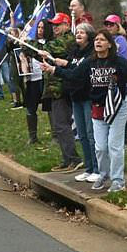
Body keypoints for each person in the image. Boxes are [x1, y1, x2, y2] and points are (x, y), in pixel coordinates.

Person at [41, 29, 127, 192]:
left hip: (118, 107)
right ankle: (103, 174)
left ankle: (118, 180)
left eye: (102, 40)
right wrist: (53, 69)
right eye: (96, 40)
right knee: (100, 147)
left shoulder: (119, 62)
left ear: (109, 44)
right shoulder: (89, 62)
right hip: (98, 108)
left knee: (115, 146)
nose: (98, 42)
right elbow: (73, 75)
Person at [45, 23, 99, 182]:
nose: (79, 34)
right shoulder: (75, 52)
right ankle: (88, 168)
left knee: (91, 135)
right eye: (78, 32)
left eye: (82, 32)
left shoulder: (91, 54)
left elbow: (77, 73)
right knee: (82, 135)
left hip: (88, 97)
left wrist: (55, 70)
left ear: (89, 35)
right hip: (76, 97)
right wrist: (56, 61)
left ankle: (97, 168)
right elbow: (70, 64)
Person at [40, 12, 82, 172]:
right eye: (53, 25)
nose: (55, 28)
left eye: (58, 25)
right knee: (59, 125)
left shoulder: (67, 40)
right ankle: (67, 159)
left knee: (61, 124)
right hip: (56, 88)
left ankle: (73, 159)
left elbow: (45, 49)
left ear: (66, 24)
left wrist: (26, 44)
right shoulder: (58, 41)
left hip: (62, 88)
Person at [21, 19, 53, 145]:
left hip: (45, 78)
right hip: (32, 78)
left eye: (42, 27)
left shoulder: (51, 43)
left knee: (50, 108)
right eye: (38, 27)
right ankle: (32, 136)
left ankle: (55, 135)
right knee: (30, 108)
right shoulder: (31, 43)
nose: (40, 30)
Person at [8, 26, 27, 109]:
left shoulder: (19, 42)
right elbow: (8, 48)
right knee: (16, 82)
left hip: (19, 64)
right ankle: (18, 100)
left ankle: (21, 101)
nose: (9, 35)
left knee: (20, 83)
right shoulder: (11, 43)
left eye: (11, 34)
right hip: (14, 62)